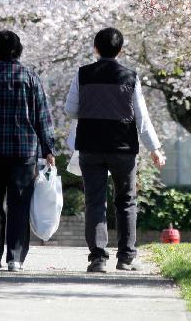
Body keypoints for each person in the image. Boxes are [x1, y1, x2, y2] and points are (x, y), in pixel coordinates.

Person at [64, 27, 165, 273]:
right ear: (120, 50)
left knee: (95, 202)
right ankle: (126, 258)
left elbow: (70, 110)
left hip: (91, 145)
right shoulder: (130, 76)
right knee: (127, 201)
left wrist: (92, 110)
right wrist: (155, 148)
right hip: (123, 147)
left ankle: (98, 258)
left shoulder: (83, 74)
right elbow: (141, 119)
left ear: (95, 49)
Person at [0, 30, 56, 272]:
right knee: (19, 203)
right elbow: (42, 118)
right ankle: (15, 257)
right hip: (23, 152)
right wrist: (48, 149)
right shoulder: (31, 78)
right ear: (19, 50)